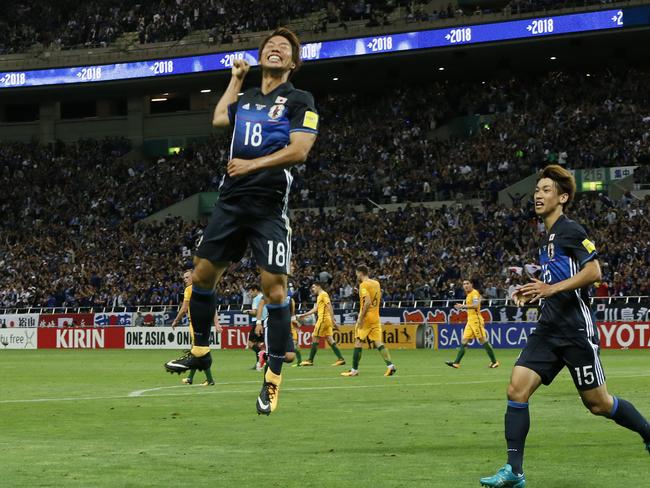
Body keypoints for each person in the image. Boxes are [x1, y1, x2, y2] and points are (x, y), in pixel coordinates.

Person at [167, 27, 319, 415]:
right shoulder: (248, 96)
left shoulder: (301, 99)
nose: (275, 49)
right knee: (201, 276)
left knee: (276, 292)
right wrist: (235, 78)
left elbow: (300, 151)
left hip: (268, 204)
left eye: (284, 48)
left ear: (293, 62)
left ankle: (271, 382)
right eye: (270, 46)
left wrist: (252, 164)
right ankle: (201, 352)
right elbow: (220, 117)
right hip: (230, 201)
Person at [480, 165, 650, 488]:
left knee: (598, 403)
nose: (538, 195)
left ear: (563, 197)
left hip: (574, 330)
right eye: (536, 190)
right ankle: (514, 471)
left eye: (546, 190)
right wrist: (533, 295)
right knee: (517, 388)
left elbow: (594, 272)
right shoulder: (547, 241)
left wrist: (550, 290)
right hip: (548, 328)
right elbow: (554, 283)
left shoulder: (571, 230)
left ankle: (648, 431)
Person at [166, 270, 222, 386]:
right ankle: (192, 378)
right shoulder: (203, 288)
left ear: (193, 277)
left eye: (187, 277)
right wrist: (216, 323)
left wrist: (176, 320)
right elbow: (212, 307)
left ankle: (209, 379)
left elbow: (184, 308)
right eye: (184, 278)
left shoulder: (189, 289)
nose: (185, 280)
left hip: (195, 324)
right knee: (198, 350)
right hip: (205, 323)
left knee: (199, 351)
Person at [341, 264, 396, 377]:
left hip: (366, 317)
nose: (356, 275)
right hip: (375, 316)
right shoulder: (376, 283)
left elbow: (367, 302)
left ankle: (354, 370)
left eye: (356, 273)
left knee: (358, 341)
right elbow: (376, 298)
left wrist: (360, 318)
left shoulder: (363, 285)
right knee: (378, 342)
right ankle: (390, 366)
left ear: (360, 273)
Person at [445, 278, 499, 369]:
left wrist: (462, 306)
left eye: (467, 283)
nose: (465, 285)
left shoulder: (474, 293)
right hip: (470, 321)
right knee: (464, 340)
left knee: (482, 340)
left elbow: (475, 305)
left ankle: (494, 361)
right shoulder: (469, 294)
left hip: (476, 320)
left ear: (471, 284)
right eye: (464, 284)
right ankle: (456, 363)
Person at [298, 282, 345, 366]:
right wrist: (304, 315)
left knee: (315, 337)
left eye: (314, 287)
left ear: (319, 286)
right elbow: (315, 309)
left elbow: (329, 305)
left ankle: (310, 360)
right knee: (330, 339)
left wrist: (333, 321)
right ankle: (341, 359)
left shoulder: (323, 294)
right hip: (326, 320)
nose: (312, 289)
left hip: (323, 319)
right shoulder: (320, 296)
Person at [245, 284, 266, 371]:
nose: (249, 294)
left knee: (250, 344)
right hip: (264, 322)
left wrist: (247, 312)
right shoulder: (264, 297)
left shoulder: (257, 299)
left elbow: (255, 312)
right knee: (260, 345)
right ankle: (259, 363)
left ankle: (262, 359)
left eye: (250, 291)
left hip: (257, 323)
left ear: (255, 290)